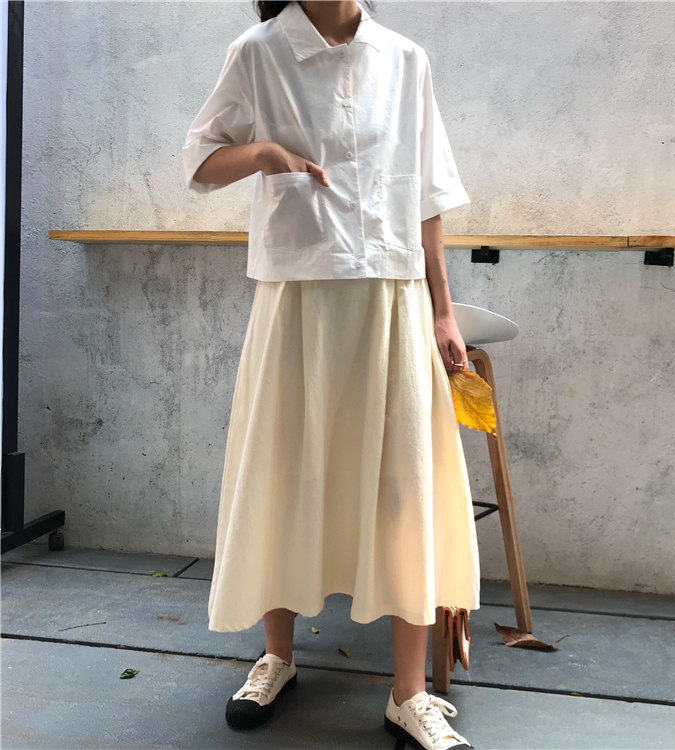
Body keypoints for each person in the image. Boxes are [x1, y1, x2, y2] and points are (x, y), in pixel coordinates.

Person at [182, 2, 480, 748]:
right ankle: (276, 657)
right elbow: (201, 161)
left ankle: (409, 692)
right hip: (297, 298)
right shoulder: (258, 51)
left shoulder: (405, 58)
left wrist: (444, 311)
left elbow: (428, 194)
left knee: (405, 484)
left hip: (391, 296)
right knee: (282, 470)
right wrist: (262, 153)